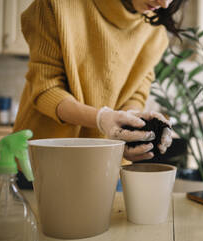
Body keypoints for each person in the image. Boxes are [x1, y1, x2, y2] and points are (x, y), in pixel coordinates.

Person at [13, 0, 185, 188]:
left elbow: (136, 94)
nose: (165, 3)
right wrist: (101, 118)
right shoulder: (56, 5)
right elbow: (46, 89)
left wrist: (130, 126)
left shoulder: (154, 30)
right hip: (43, 162)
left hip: (108, 167)